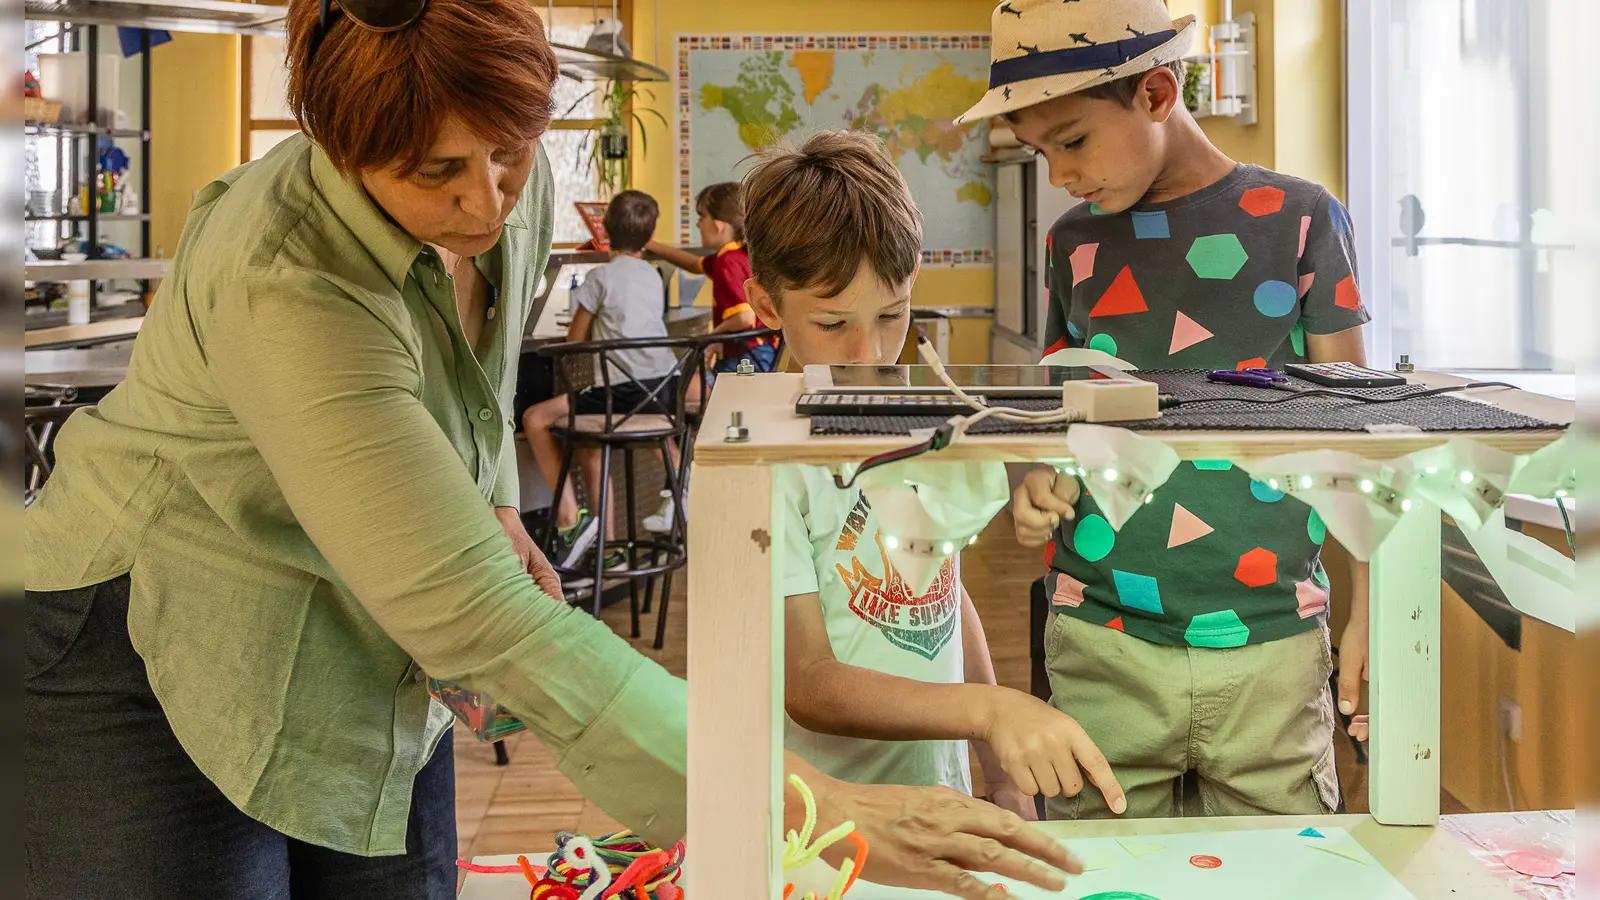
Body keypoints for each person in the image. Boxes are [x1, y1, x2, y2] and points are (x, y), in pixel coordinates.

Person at [18, 0, 1081, 897]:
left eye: (509, 153)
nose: (485, 201)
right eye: (437, 170)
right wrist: (798, 805)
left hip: (370, 642)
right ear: (341, 147)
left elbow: (454, 400)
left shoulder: (493, 201)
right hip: (151, 645)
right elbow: (480, 611)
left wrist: (486, 501)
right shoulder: (287, 276)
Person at [958, 0, 1373, 820]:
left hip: (1273, 640)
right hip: (1100, 641)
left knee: (1279, 878)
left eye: (1072, 140)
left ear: (1156, 92)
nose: (1060, 175)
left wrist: (1372, 615)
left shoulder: (1303, 218)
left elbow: (1355, 444)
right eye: (1041, 152)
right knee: (1105, 866)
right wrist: (1036, 478)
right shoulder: (1071, 241)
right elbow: (1058, 403)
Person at [742, 130, 1126, 825]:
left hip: (940, 795)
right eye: (832, 323)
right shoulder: (760, 461)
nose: (871, 353)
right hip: (826, 820)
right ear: (768, 306)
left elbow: (942, 591)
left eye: (892, 315)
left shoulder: (915, 420)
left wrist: (996, 769)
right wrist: (988, 712)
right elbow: (809, 683)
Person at [521, 190, 681, 570]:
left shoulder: (600, 277)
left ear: (604, 230)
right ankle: (678, 489)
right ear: (649, 234)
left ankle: (569, 521)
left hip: (621, 397)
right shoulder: (653, 276)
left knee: (535, 418)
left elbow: (575, 342)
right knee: (592, 443)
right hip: (663, 389)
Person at [646, 181, 779, 377]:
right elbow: (694, 264)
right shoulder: (738, 255)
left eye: (702, 218)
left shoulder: (727, 263)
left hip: (746, 357)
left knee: (693, 390)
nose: (698, 225)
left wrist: (712, 336)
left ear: (717, 225)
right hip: (762, 350)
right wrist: (653, 246)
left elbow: (743, 318)